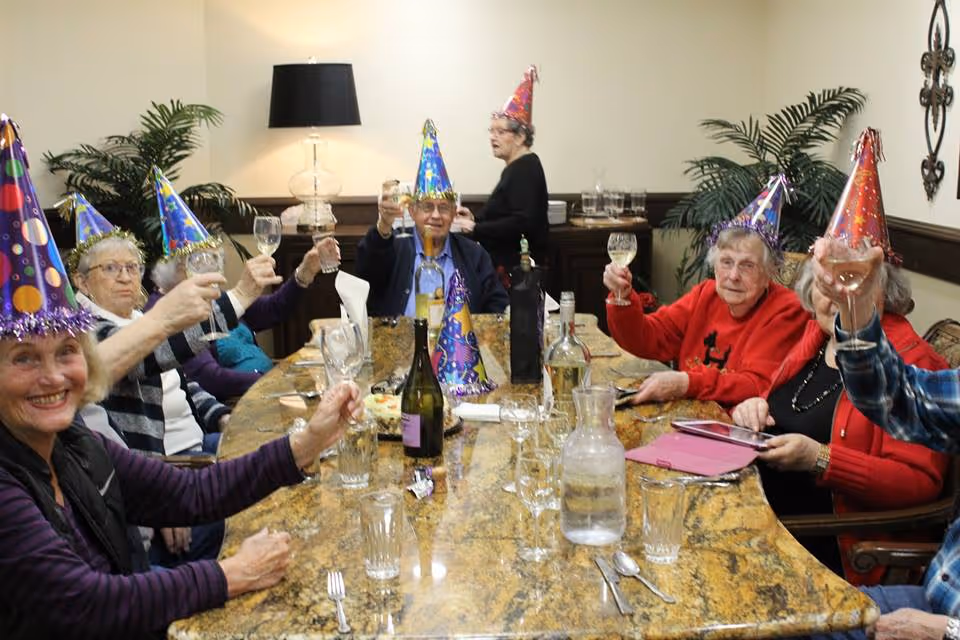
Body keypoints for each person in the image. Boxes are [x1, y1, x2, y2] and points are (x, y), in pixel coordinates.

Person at [0, 115, 361, 639]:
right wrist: (229, 574)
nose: (53, 376)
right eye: (24, 359)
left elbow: (193, 494)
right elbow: (85, 603)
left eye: (66, 352)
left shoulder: (74, 444)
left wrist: (310, 440)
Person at [732, 260, 949, 584]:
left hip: (827, 544)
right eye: (827, 286)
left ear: (885, 293)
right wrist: (753, 407)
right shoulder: (815, 338)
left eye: (856, 286)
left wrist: (820, 459)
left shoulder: (912, 363)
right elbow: (781, 403)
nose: (840, 298)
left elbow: (919, 483)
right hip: (757, 510)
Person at [603, 175, 807, 407]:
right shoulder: (706, 294)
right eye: (726, 262)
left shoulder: (786, 309)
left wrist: (686, 383)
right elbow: (648, 338)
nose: (733, 276)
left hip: (737, 431)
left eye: (747, 265)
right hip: (689, 420)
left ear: (769, 272)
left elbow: (754, 385)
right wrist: (623, 295)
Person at [151, 240, 338, 401]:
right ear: (178, 269)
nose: (211, 272)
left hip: (269, 388)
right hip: (240, 401)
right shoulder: (171, 315)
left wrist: (305, 271)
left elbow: (274, 308)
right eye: (199, 263)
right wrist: (269, 380)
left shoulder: (209, 296)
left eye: (211, 262)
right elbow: (210, 378)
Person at [358, 119, 508, 317]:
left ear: (454, 213)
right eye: (427, 207)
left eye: (444, 208)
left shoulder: (473, 255)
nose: (436, 215)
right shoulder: (394, 247)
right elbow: (366, 272)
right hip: (404, 344)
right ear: (412, 211)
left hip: (458, 345)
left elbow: (498, 305)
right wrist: (384, 224)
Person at [456, 65, 549, 283]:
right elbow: (506, 214)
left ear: (520, 137)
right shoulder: (517, 167)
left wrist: (477, 228)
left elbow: (523, 223)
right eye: (492, 131)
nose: (492, 137)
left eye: (500, 131)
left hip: (518, 272)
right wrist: (474, 218)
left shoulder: (525, 169)